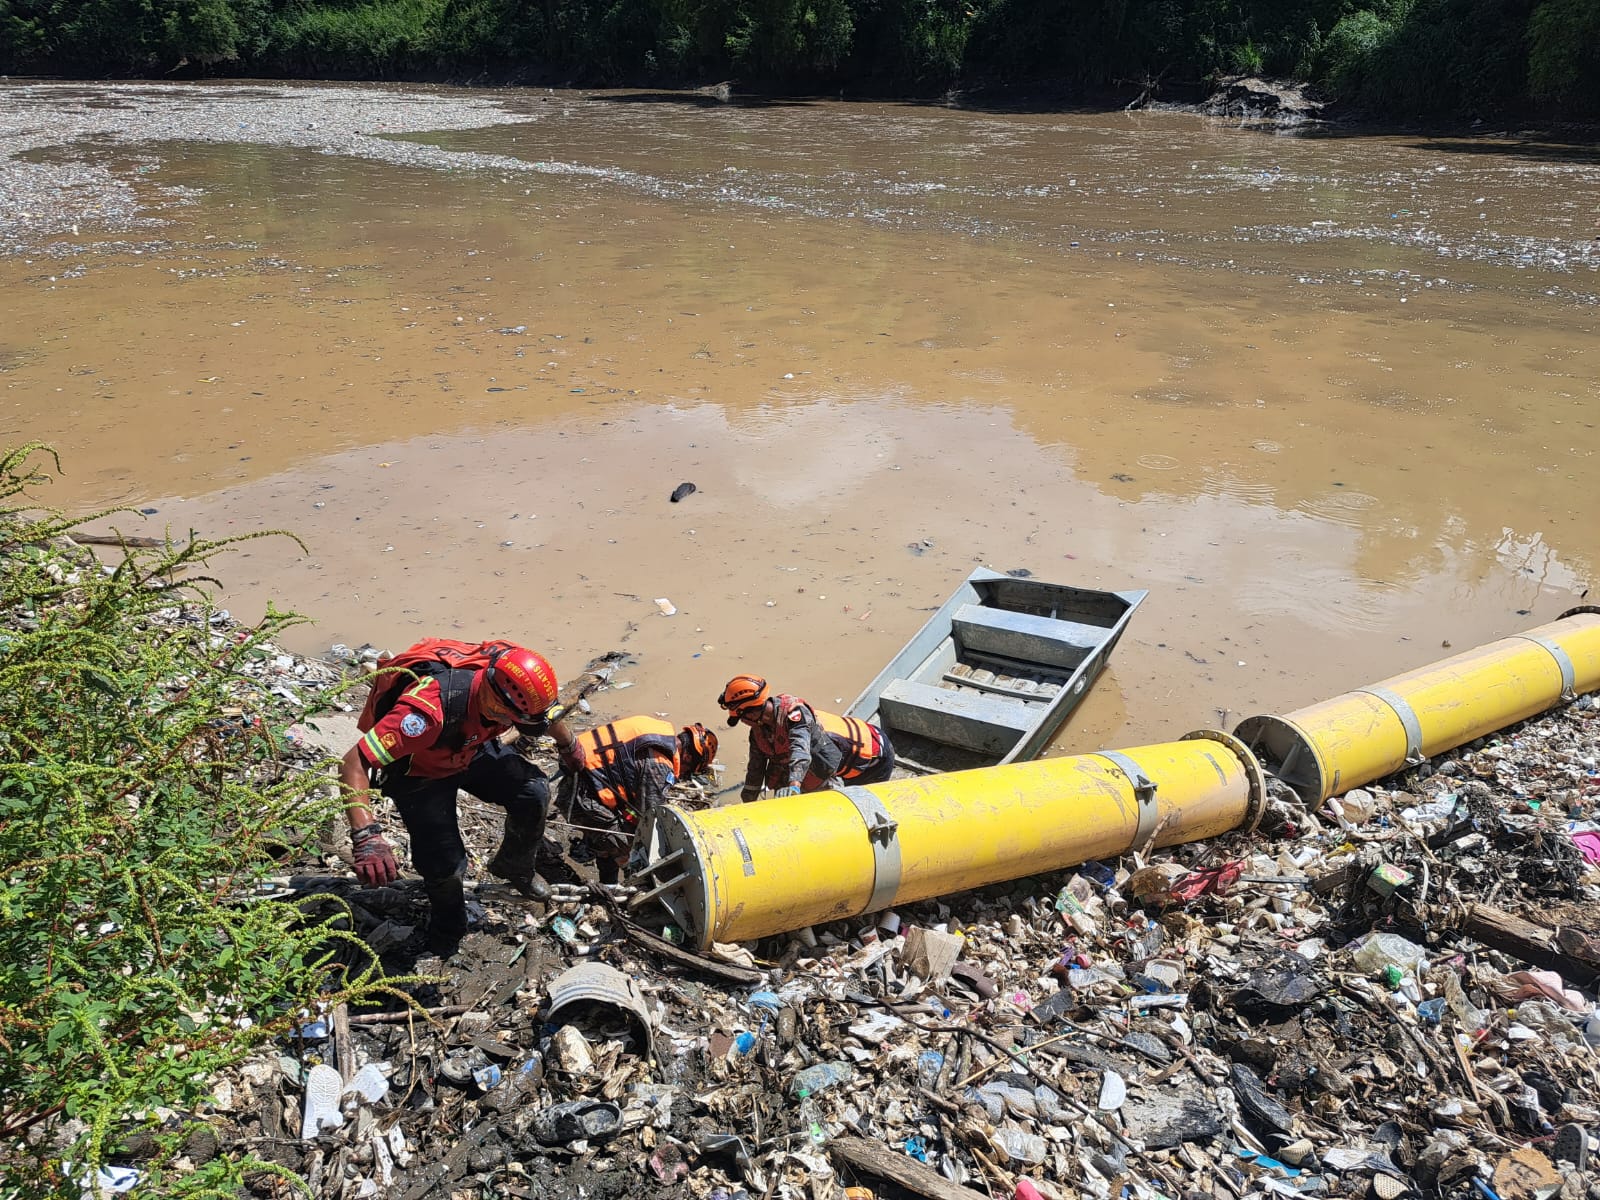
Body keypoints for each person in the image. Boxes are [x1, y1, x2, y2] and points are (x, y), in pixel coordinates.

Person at [339, 640, 566, 956]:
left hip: (468, 748)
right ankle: (448, 926)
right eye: (516, 722)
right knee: (445, 864)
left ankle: (515, 865)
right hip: (422, 773)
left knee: (534, 791)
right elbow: (354, 762)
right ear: (499, 706)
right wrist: (366, 835)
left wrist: (570, 748)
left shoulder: (508, 667)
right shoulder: (424, 715)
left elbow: (545, 717)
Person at [558, 718, 719, 883]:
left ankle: (608, 881)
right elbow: (649, 819)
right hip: (580, 798)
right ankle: (634, 886)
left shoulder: (657, 733)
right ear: (687, 756)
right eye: (687, 771)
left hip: (582, 783)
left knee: (614, 835)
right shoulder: (659, 764)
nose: (683, 775)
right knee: (632, 844)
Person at [717, 674, 895, 802]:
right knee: (781, 777)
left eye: (741, 718)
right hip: (834, 763)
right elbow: (755, 770)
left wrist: (794, 786)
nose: (744, 723)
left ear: (752, 712)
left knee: (854, 807)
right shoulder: (758, 733)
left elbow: (800, 750)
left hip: (872, 760)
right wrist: (747, 803)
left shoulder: (795, 713)